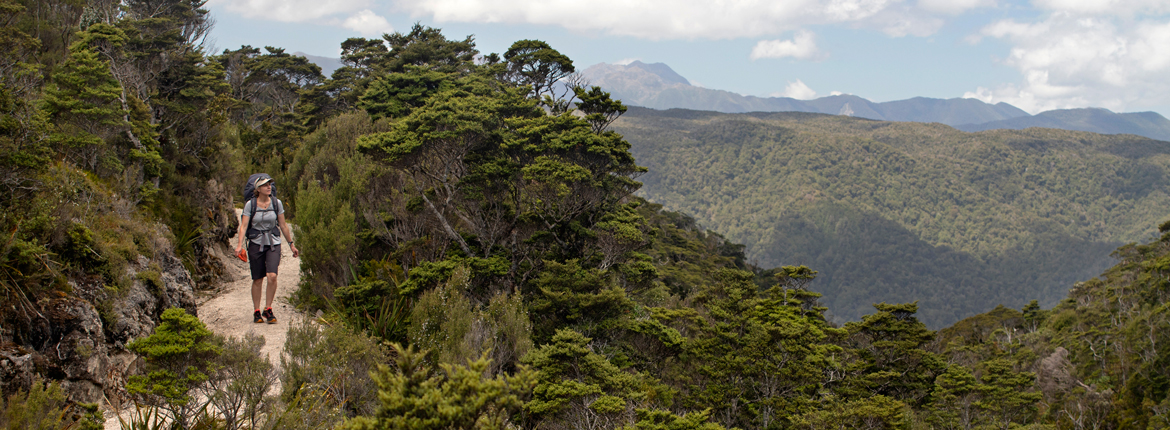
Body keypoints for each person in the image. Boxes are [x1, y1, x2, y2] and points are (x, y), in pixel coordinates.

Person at [234, 177, 299, 324]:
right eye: (265, 185)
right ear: (257, 189)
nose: (269, 187)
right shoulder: (250, 205)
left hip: (273, 243)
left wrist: (291, 245)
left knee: (272, 276)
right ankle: (257, 311)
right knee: (257, 279)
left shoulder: (277, 203)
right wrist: (239, 246)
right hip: (256, 243)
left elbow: (283, 225)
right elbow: (243, 226)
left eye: (270, 184)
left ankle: (268, 309)